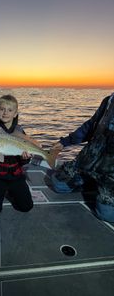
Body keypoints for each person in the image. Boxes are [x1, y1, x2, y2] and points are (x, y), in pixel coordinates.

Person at [51, 92, 114, 222]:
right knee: (59, 185)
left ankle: (101, 185)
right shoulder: (108, 100)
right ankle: (91, 181)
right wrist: (65, 142)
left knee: (106, 214)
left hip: (111, 172)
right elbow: (90, 126)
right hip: (89, 160)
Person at [0, 95, 33, 215]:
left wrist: (25, 159)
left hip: (16, 176)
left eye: (10, 110)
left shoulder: (20, 132)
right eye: (2, 109)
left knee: (26, 207)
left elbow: (25, 160)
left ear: (15, 113)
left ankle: (12, 191)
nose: (5, 113)